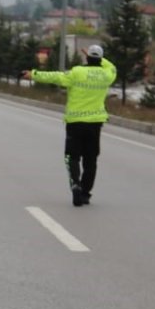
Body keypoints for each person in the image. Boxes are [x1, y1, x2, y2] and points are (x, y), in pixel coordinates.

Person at [22, 44, 117, 206]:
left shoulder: (77, 72)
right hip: (95, 124)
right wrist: (100, 58)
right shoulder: (107, 75)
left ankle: (75, 185)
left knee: (72, 157)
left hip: (75, 123)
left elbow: (55, 77)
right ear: (100, 59)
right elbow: (112, 67)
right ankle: (86, 193)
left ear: (86, 58)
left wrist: (34, 74)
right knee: (91, 160)